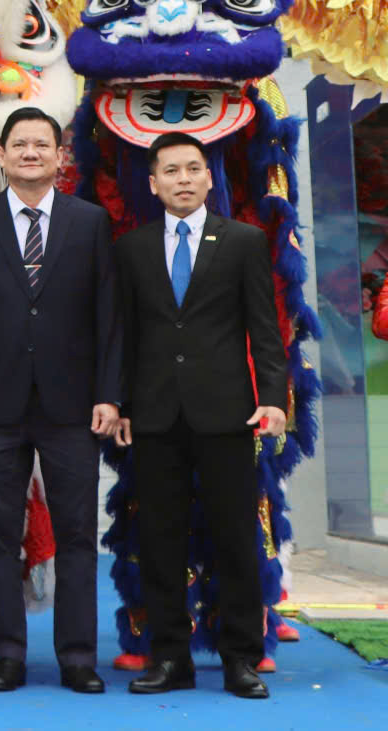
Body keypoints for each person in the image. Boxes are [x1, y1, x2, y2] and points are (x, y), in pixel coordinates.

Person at [0, 107, 122, 695]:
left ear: (59, 156)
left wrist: (109, 395)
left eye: (41, 144)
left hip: (73, 406)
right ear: (0, 155)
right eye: (19, 144)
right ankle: (6, 654)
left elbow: (108, 317)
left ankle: (78, 657)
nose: (30, 153)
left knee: (77, 536)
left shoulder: (89, 222)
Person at [114, 131, 288, 700]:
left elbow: (264, 327)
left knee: (234, 539)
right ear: (153, 183)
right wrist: (120, 403)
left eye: (193, 168)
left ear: (210, 177)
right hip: (155, 415)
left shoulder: (243, 241)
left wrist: (274, 398)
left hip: (228, 414)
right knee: (159, 540)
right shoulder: (132, 248)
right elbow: (123, 335)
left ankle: (241, 658)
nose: (183, 179)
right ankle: (169, 658)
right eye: (171, 171)